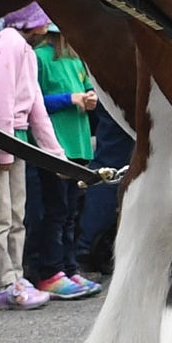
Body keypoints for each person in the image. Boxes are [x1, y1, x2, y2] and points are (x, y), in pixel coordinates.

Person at [0, 8, 56, 310]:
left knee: (16, 214)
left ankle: (17, 275)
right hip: (1, 138)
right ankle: (2, 281)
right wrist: (4, 148)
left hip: (16, 138)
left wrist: (55, 155)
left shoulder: (26, 51)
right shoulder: (6, 45)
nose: (47, 27)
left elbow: (36, 107)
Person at [31, 19, 102, 300]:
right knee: (56, 210)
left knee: (72, 211)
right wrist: (68, 99)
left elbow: (86, 88)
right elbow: (35, 103)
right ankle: (50, 270)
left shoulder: (76, 60)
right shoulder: (40, 58)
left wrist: (91, 98)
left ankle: (69, 268)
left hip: (80, 144)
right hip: (54, 144)